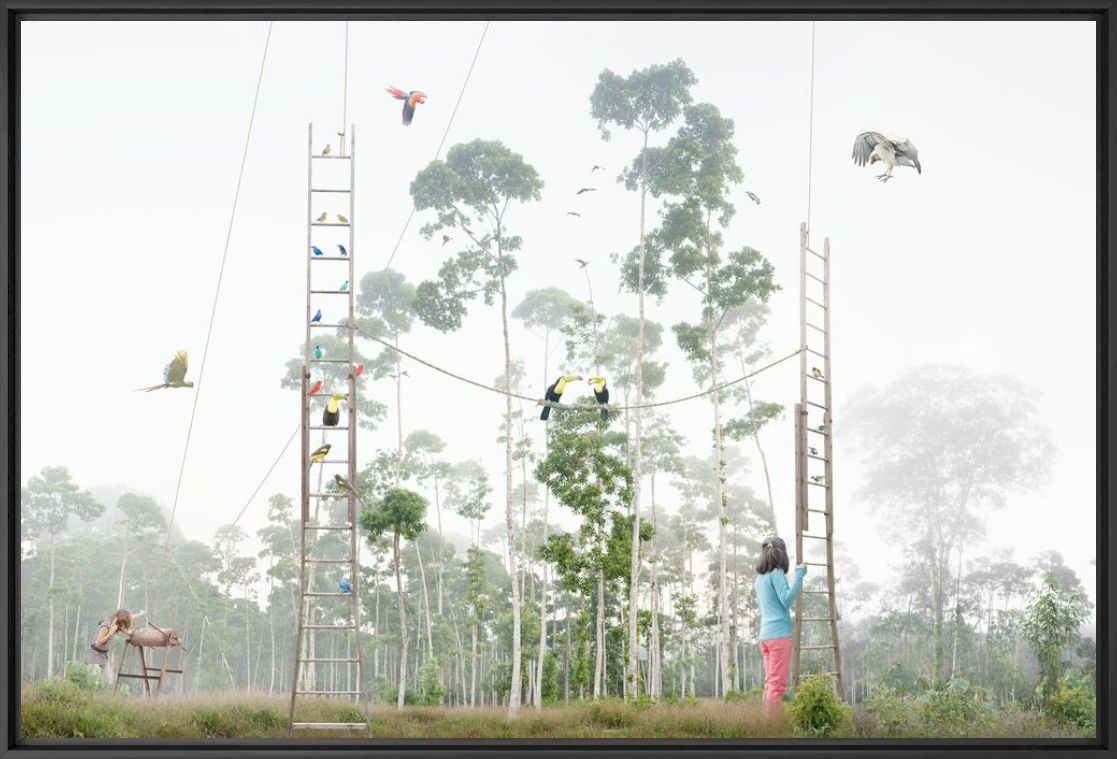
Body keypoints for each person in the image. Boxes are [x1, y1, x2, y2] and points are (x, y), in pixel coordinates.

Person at [754, 537, 806, 716]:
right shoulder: (776, 573)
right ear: (780, 553)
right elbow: (786, 600)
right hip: (778, 637)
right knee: (777, 685)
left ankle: (766, 723)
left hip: (765, 637)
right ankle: (771, 728)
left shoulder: (759, 579)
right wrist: (799, 575)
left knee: (770, 683)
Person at [85, 608, 144, 685]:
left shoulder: (115, 624)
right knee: (93, 681)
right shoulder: (106, 626)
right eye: (122, 624)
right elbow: (98, 643)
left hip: (103, 656)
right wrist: (111, 632)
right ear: (118, 619)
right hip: (95, 655)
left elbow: (130, 617)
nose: (123, 627)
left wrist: (140, 614)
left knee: (107, 680)